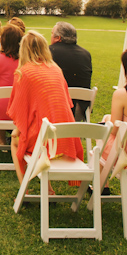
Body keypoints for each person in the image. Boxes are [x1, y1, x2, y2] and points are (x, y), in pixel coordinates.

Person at [7, 30, 83, 184]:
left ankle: (24, 188)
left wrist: (18, 129)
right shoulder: (56, 69)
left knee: (15, 142)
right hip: (66, 137)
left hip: (44, 139)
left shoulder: (24, 73)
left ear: (23, 49)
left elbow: (20, 111)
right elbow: (67, 103)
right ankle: (47, 188)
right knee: (35, 132)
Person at [49, 21, 93, 120]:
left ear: (58, 38)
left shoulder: (49, 52)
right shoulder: (86, 54)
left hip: (58, 108)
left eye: (51, 34)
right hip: (80, 109)